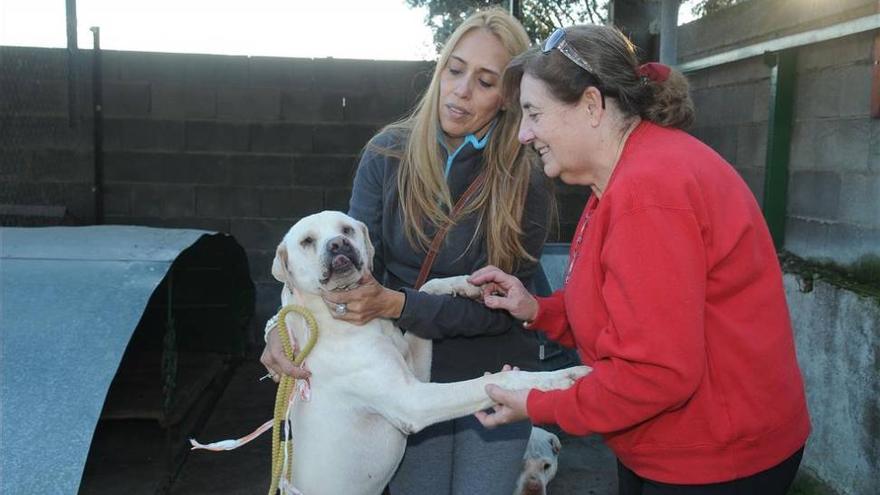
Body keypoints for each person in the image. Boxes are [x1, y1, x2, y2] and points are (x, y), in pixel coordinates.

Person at [468, 24, 811, 495]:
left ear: (591, 106)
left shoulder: (647, 191)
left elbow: (655, 373)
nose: (525, 134)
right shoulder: (622, 175)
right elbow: (626, 313)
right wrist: (538, 309)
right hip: (679, 447)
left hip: (715, 462)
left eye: (533, 113)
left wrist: (538, 403)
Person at [261, 7, 553, 494]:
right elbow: (345, 275)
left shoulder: (526, 179)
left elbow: (503, 311)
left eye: (485, 81)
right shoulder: (388, 154)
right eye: (455, 70)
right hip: (404, 369)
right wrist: (279, 326)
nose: (461, 90)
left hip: (494, 374)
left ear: (508, 97)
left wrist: (400, 305)